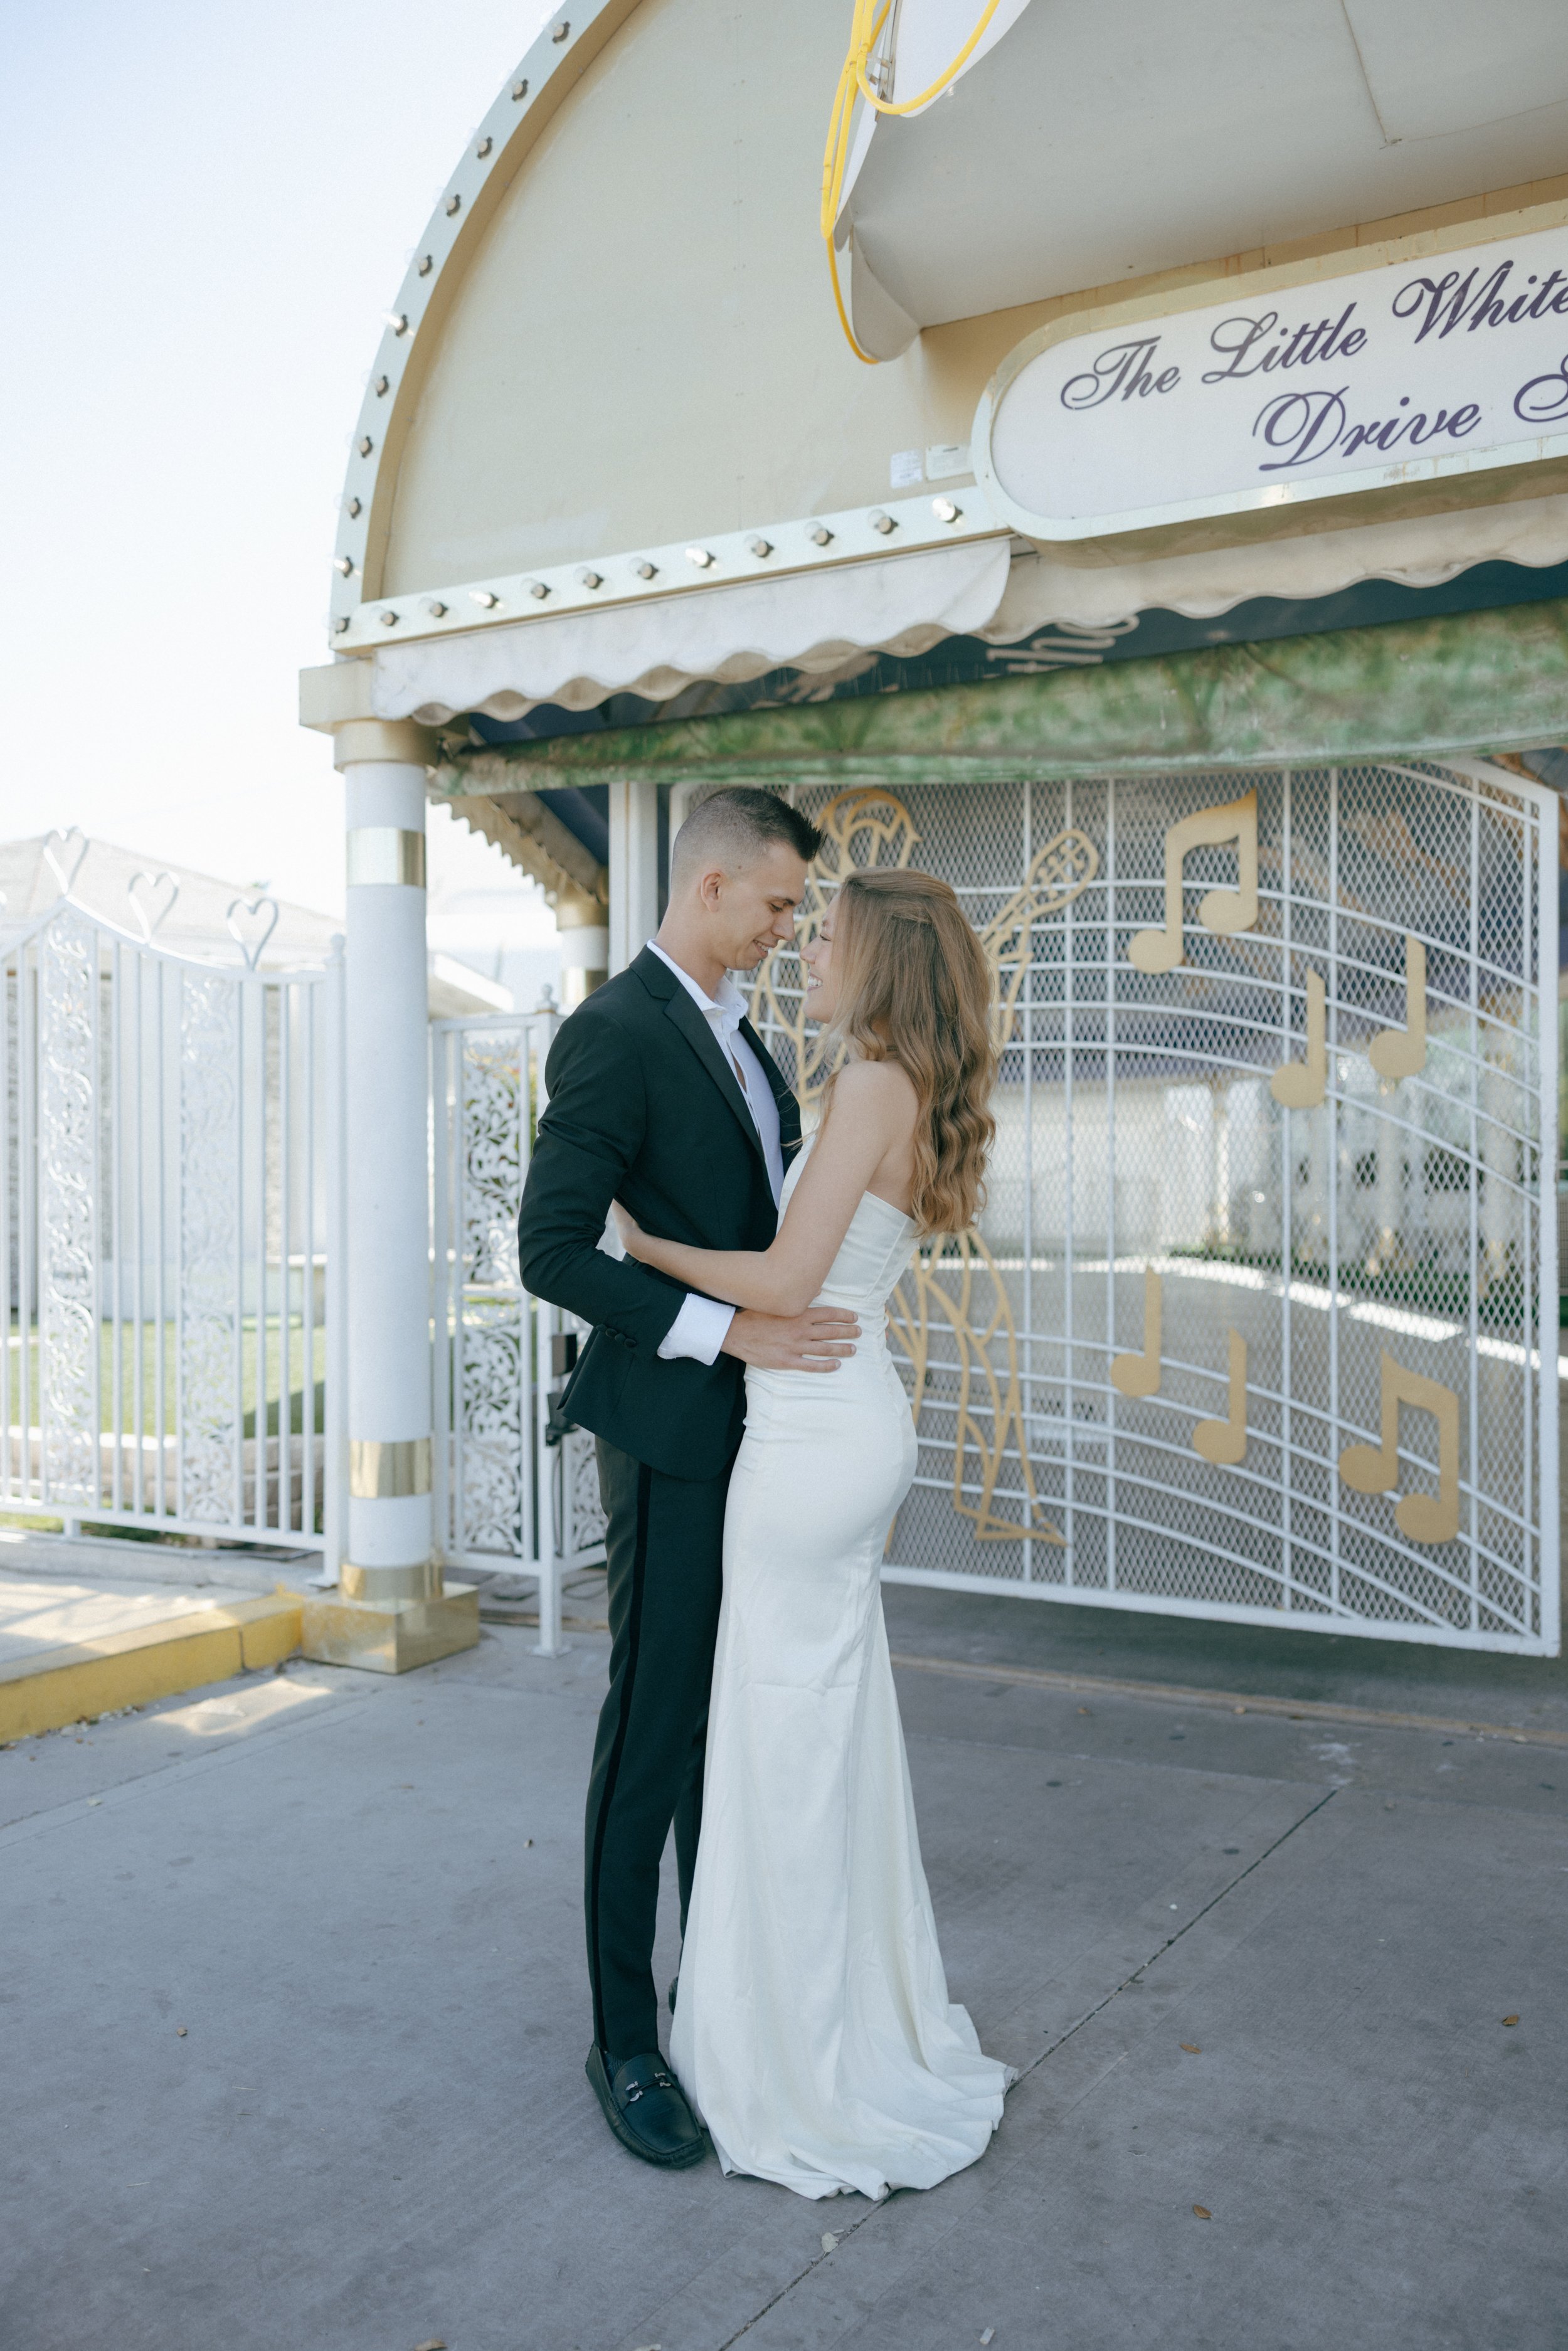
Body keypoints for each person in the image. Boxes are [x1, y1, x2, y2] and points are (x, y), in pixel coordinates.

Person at [615, 865, 1013, 2200]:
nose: (807, 952)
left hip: (809, 1443)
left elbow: (788, 1282)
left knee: (777, 1750)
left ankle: (791, 2062)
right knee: (814, 1739)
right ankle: (829, 2023)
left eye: (825, 934)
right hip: (838, 1423)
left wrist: (644, 1242)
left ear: (882, 956)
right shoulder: (893, 1088)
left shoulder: (870, 1087)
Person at [517, 787, 859, 2169]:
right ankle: (624, 2038)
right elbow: (548, 1249)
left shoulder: (747, 1038)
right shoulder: (610, 1034)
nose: (790, 927)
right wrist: (730, 1327)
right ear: (711, 883)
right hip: (666, 1432)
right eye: (778, 902)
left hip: (762, 1437)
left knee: (732, 1732)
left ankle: (716, 2001)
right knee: (653, 1734)